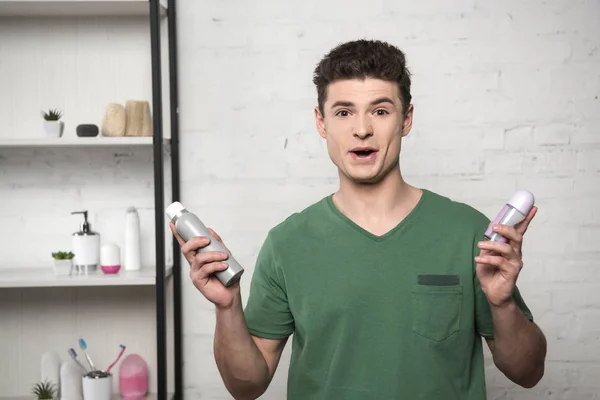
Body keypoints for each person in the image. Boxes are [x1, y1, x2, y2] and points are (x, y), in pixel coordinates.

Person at [171, 39, 547, 400]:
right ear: (322, 123)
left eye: (380, 111)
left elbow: (527, 373)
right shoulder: (287, 243)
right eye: (344, 112)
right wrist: (227, 307)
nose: (362, 129)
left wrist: (502, 305)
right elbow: (246, 387)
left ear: (406, 119)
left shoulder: (467, 232)